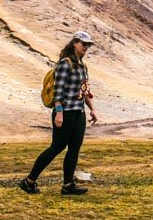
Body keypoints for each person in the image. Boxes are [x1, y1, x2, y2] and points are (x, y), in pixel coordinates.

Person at [19, 31, 98, 195]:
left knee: (74, 148)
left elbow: (84, 90)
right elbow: (58, 91)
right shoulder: (65, 64)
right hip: (65, 112)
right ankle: (29, 181)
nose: (86, 48)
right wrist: (59, 113)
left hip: (78, 112)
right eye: (84, 44)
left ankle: (68, 185)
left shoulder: (82, 65)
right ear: (75, 43)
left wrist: (92, 109)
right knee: (57, 147)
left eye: (88, 45)